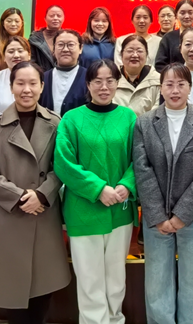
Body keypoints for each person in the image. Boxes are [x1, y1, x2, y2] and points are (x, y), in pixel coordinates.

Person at [0, 61, 71, 324]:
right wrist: (19, 196)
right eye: (20, 83)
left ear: (42, 86)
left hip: (42, 214)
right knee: (12, 292)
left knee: (42, 290)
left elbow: (63, 166)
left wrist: (41, 194)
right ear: (11, 86)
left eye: (32, 83)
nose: (26, 89)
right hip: (7, 216)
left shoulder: (55, 122)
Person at [132, 63, 193, 324]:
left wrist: (182, 215)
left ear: (190, 88)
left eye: (181, 84)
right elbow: (142, 169)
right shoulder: (145, 123)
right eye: (169, 84)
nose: (175, 90)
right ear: (161, 88)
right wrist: (158, 215)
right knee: (157, 280)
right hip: (156, 216)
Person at [54, 59, 138, 324]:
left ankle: (115, 319)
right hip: (84, 210)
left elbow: (140, 158)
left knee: (116, 277)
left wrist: (127, 185)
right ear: (88, 84)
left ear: (117, 83)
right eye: (98, 81)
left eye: (110, 81)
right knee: (90, 279)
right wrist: (99, 189)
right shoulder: (71, 119)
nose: (104, 87)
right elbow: (64, 163)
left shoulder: (129, 117)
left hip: (120, 210)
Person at [155, 0, 193, 71]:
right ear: (176, 15)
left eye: (190, 12)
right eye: (182, 13)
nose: (187, 16)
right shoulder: (168, 38)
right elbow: (160, 65)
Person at [39, 29, 88, 117]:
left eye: (71, 45)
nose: (65, 49)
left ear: (80, 48)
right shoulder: (43, 78)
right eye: (60, 45)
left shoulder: (89, 78)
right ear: (53, 48)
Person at [113, 35, 161, 116]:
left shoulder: (159, 81)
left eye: (139, 51)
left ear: (147, 54)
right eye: (130, 51)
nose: (135, 55)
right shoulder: (111, 80)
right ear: (121, 54)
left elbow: (158, 114)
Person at [29, 4, 64, 72]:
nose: (55, 18)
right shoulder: (34, 39)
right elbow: (32, 62)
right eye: (52, 16)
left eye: (59, 16)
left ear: (63, 18)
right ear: (45, 18)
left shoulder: (69, 38)